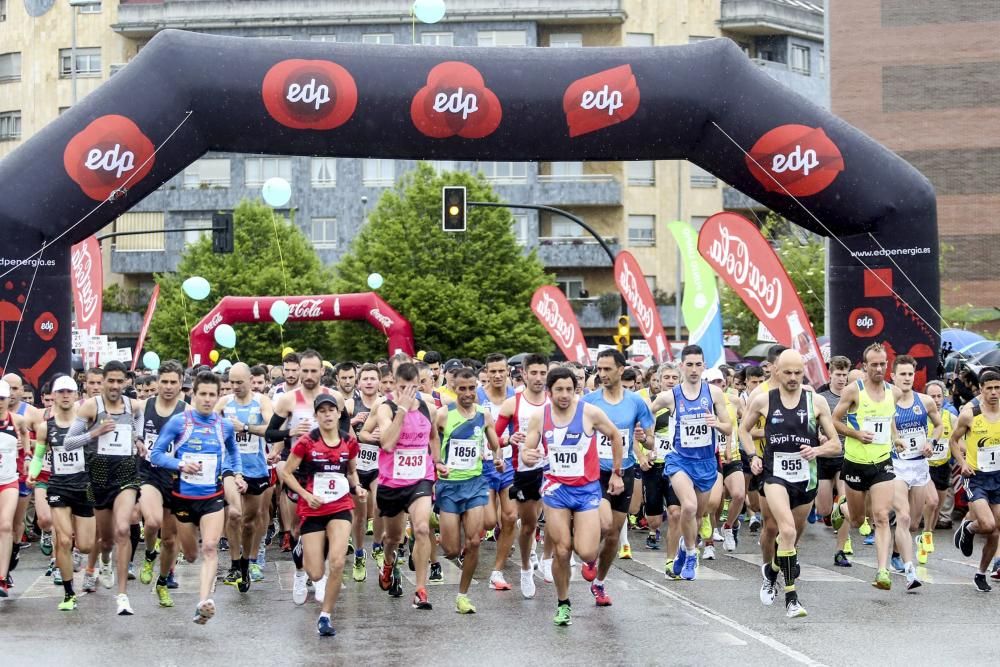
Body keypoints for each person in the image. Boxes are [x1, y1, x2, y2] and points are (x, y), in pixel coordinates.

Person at [740, 350, 843, 618]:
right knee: (783, 530)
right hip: (774, 475)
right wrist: (752, 456)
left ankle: (772, 571)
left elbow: (835, 443)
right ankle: (791, 598)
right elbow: (743, 430)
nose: (794, 377)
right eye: (788, 372)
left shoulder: (816, 402)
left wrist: (816, 452)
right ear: (776, 371)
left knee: (794, 535)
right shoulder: (763, 400)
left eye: (798, 372)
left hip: (805, 476)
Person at [522, 367, 624, 626]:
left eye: (570, 389)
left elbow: (614, 435)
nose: (565, 395)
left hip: (587, 489)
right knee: (562, 549)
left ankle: (591, 558)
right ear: (549, 392)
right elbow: (527, 449)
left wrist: (616, 472)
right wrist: (527, 455)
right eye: (559, 390)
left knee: (587, 552)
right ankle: (563, 603)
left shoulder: (589, 412)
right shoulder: (540, 416)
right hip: (556, 490)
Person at [151, 371, 243, 624]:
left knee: (211, 547)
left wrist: (236, 473)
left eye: (212, 395)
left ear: (218, 396)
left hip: (212, 497)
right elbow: (156, 455)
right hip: (182, 498)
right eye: (202, 394)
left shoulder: (223, 425)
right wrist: (180, 464)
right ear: (194, 394)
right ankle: (164, 575)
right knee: (191, 555)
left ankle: (203, 603)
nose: (207, 399)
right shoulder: (179, 422)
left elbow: (234, 454)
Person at [63, 360, 143, 615]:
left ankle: (122, 596)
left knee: (123, 529)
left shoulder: (133, 405)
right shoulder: (91, 406)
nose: (115, 386)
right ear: (104, 381)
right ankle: (105, 560)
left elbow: (141, 420)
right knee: (106, 540)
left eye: (120, 381)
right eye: (111, 381)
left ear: (126, 382)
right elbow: (68, 443)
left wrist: (139, 440)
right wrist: (95, 432)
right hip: (98, 478)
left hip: (126, 475)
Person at [281, 393, 363, 636]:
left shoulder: (349, 442)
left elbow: (351, 471)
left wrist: (357, 487)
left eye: (331, 410)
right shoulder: (306, 442)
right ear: (316, 416)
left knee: (337, 562)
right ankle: (301, 551)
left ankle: (325, 616)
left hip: (340, 506)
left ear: (339, 414)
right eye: (322, 411)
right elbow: (286, 473)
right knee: (316, 572)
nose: (327, 415)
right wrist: (305, 496)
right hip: (313, 508)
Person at [650, 345, 733, 581]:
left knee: (696, 516)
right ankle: (690, 552)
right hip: (680, 460)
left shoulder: (714, 394)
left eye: (698, 364)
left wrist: (716, 423)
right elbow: (646, 411)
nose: (694, 369)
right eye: (689, 364)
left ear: (704, 366)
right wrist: (645, 437)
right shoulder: (670, 396)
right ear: (681, 366)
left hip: (706, 462)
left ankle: (683, 555)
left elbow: (728, 427)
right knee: (688, 506)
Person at [581, 349, 653, 605]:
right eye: (599, 369)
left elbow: (650, 436)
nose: (602, 374)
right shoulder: (589, 401)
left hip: (625, 470)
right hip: (595, 472)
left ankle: (599, 582)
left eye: (607, 369)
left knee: (614, 533)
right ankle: (590, 556)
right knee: (604, 524)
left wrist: (645, 439)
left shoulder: (635, 402)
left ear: (621, 370)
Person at [267, 350, 336, 601]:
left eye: (312, 371)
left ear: (322, 371)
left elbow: (347, 431)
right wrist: (290, 431)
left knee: (328, 527)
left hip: (328, 471)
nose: (307, 375)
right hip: (298, 470)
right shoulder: (288, 400)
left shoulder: (333, 398)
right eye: (304, 370)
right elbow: (270, 434)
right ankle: (299, 573)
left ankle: (320, 575)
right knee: (298, 529)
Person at [833, 343, 902, 590]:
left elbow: (889, 418)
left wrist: (896, 438)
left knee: (882, 516)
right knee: (856, 520)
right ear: (865, 366)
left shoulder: (893, 392)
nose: (879, 368)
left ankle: (882, 571)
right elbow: (834, 421)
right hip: (854, 463)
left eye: (883, 363)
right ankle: (841, 509)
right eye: (874, 364)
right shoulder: (854, 391)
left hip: (882, 462)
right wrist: (855, 434)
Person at [373, 362, 441, 610]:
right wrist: (401, 410)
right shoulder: (385, 408)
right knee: (393, 537)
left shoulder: (428, 407)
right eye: (403, 387)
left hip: (420, 478)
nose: (408, 393)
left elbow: (433, 437)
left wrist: (438, 461)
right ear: (394, 384)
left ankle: (421, 590)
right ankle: (389, 562)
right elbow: (388, 444)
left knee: (422, 528)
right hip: (392, 483)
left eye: (412, 388)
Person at [435, 368, 503, 613]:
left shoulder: (484, 415)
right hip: (450, 486)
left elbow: (495, 443)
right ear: (454, 388)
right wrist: (437, 463)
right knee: (452, 550)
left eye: (471, 388)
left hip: (475, 483)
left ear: (477, 388)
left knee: (475, 541)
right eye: (462, 388)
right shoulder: (443, 414)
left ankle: (462, 596)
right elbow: (432, 441)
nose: (467, 393)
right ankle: (437, 526)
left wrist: (498, 457)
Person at [28, 375, 94, 610]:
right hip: (59, 487)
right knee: (63, 540)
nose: (65, 395)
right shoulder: (46, 427)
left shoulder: (86, 424)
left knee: (85, 545)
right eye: (61, 392)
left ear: (76, 395)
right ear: (53, 396)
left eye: (70, 392)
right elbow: (38, 456)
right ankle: (68, 594)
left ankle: (85, 557)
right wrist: (33, 473)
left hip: (84, 487)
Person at [494, 354, 550, 596]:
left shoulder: (556, 399)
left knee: (557, 519)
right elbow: (492, 438)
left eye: (542, 373)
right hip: (524, 470)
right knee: (528, 525)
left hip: (553, 468)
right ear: (524, 374)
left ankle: (548, 559)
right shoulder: (512, 403)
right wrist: (508, 439)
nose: (538, 378)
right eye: (533, 373)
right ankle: (526, 568)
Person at [218, 362, 275, 591]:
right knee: (234, 514)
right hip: (230, 467)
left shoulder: (261, 402)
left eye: (239, 382)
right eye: (231, 382)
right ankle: (233, 563)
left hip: (256, 469)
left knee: (250, 522)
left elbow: (271, 428)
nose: (235, 386)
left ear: (251, 381)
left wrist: (244, 428)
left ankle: (246, 562)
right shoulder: (224, 403)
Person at [134, 360, 186, 605]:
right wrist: (138, 441)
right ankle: (148, 554)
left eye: (173, 382)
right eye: (163, 381)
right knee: (152, 521)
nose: (167, 386)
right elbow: (132, 428)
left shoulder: (187, 410)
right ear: (156, 383)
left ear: (181, 383)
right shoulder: (145, 406)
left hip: (175, 477)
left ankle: (163, 581)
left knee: (170, 539)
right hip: (149, 473)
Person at [888, 354, 941, 584]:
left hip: (919, 466)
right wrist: (893, 438)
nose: (907, 378)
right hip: (897, 466)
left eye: (910, 374)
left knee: (914, 523)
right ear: (893, 376)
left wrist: (931, 442)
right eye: (903, 374)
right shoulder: (886, 402)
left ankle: (897, 553)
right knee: (904, 516)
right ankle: (911, 572)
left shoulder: (925, 401)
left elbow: (938, 426)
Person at [950, 369, 1000, 592]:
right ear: (981, 390)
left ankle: (981, 573)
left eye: (998, 388)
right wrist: (963, 463)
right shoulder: (971, 414)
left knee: (996, 531)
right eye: (989, 388)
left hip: (998, 477)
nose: (994, 392)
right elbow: (953, 440)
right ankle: (969, 529)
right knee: (987, 525)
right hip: (976, 477)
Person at [477, 353, 517, 592]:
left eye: (501, 370)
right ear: (487, 373)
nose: (498, 375)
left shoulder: (515, 397)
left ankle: (497, 571)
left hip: (510, 463)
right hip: (483, 465)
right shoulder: (478, 397)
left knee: (510, 517)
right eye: (493, 371)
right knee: (491, 521)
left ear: (507, 372)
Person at [346, 363, 382, 579]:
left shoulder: (385, 404)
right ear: (359, 383)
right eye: (365, 379)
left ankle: (377, 546)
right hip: (357, 465)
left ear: (379, 382)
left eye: (373, 378)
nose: (369, 382)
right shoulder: (350, 404)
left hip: (378, 463)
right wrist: (352, 424)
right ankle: (359, 554)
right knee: (358, 517)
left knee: (379, 506)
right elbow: (339, 429)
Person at [817, 356, 853, 566]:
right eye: (838, 374)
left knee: (844, 501)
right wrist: (818, 437)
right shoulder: (821, 397)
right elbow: (812, 424)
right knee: (824, 510)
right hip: (823, 457)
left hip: (844, 456)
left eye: (844, 375)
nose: (841, 379)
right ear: (830, 373)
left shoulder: (851, 397)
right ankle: (832, 513)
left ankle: (840, 550)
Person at [0, 379, 33, 598]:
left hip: (9, 480)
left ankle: (2, 578)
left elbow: (25, 434)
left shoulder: (17, 419)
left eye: (2, 399)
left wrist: (28, 455)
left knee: (6, 525)